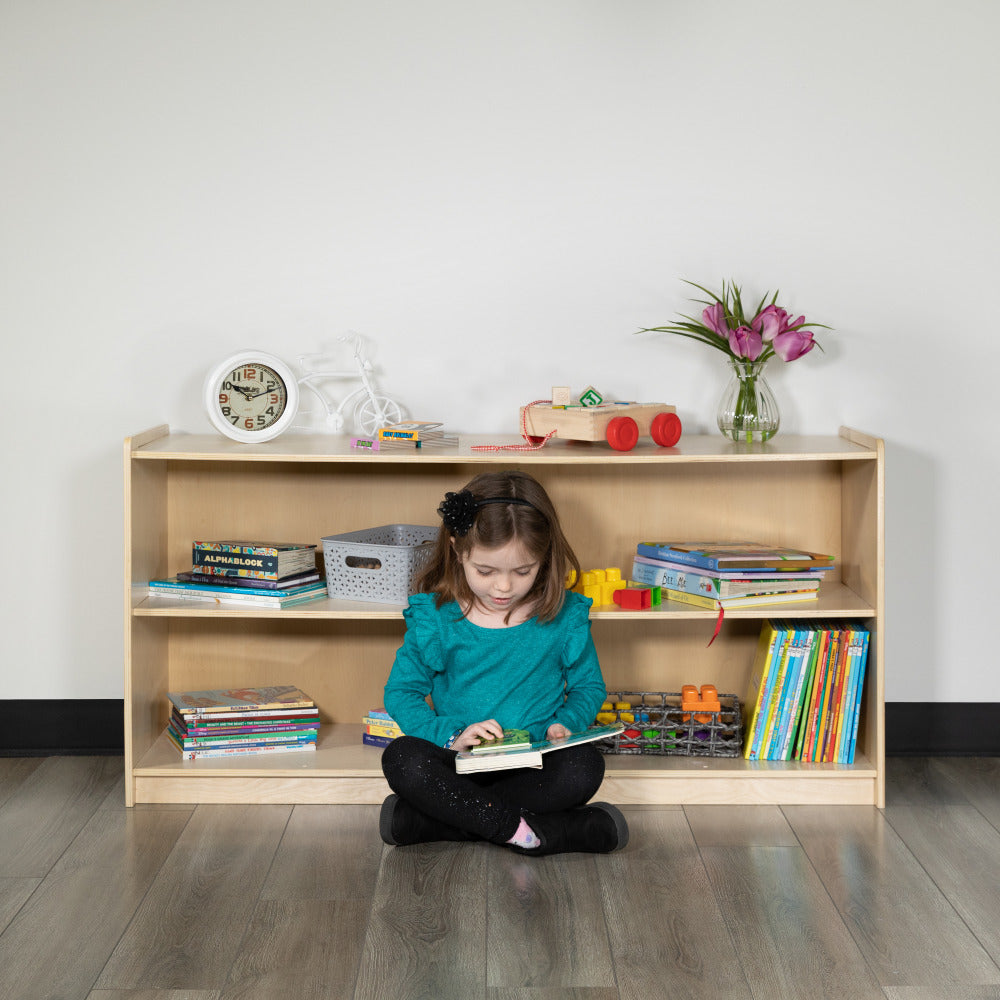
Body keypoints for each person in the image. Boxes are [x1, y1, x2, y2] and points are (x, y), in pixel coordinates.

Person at [379, 470, 628, 856]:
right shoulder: (438, 618)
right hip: (459, 766)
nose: (503, 587)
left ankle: (441, 821)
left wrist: (568, 724)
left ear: (543, 560)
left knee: (584, 767)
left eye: (523, 571)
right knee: (402, 759)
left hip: (533, 769)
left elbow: (587, 688)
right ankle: (536, 832)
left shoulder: (564, 617)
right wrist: (449, 736)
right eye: (485, 571)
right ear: (458, 550)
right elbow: (402, 692)